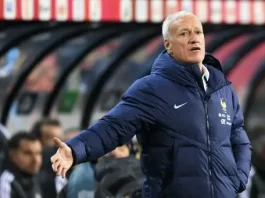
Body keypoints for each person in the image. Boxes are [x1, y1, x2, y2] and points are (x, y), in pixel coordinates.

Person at [50, 11, 252, 198]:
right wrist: (75, 150)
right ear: (168, 45)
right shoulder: (151, 89)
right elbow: (112, 127)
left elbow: (239, 138)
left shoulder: (222, 89)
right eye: (184, 33)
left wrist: (238, 179)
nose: (194, 37)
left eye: (198, 32)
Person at [0, 132, 43, 198]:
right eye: (28, 153)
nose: (36, 160)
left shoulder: (33, 178)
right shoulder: (6, 182)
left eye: (38, 153)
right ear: (12, 155)